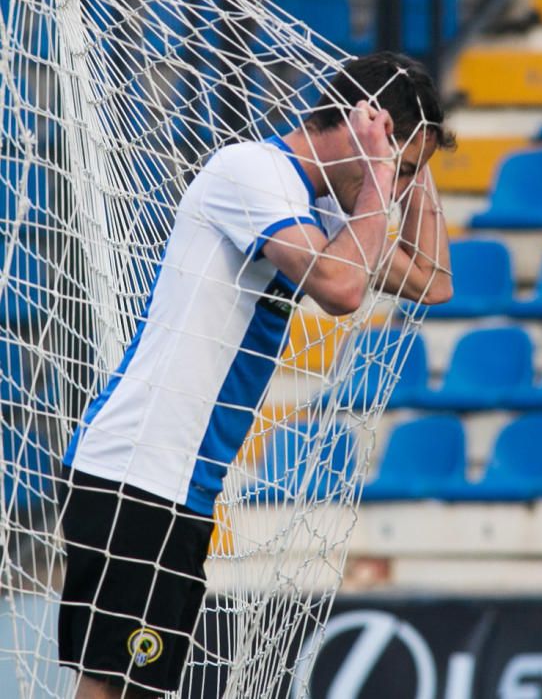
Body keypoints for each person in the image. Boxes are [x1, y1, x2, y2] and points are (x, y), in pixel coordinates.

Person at [58, 51, 455, 698]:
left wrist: (410, 162)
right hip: (137, 468)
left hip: (176, 481)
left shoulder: (320, 212)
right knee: (111, 689)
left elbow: (432, 282)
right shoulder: (251, 171)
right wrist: (385, 166)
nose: (398, 190)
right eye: (400, 171)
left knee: (133, 688)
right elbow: (343, 287)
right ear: (361, 133)